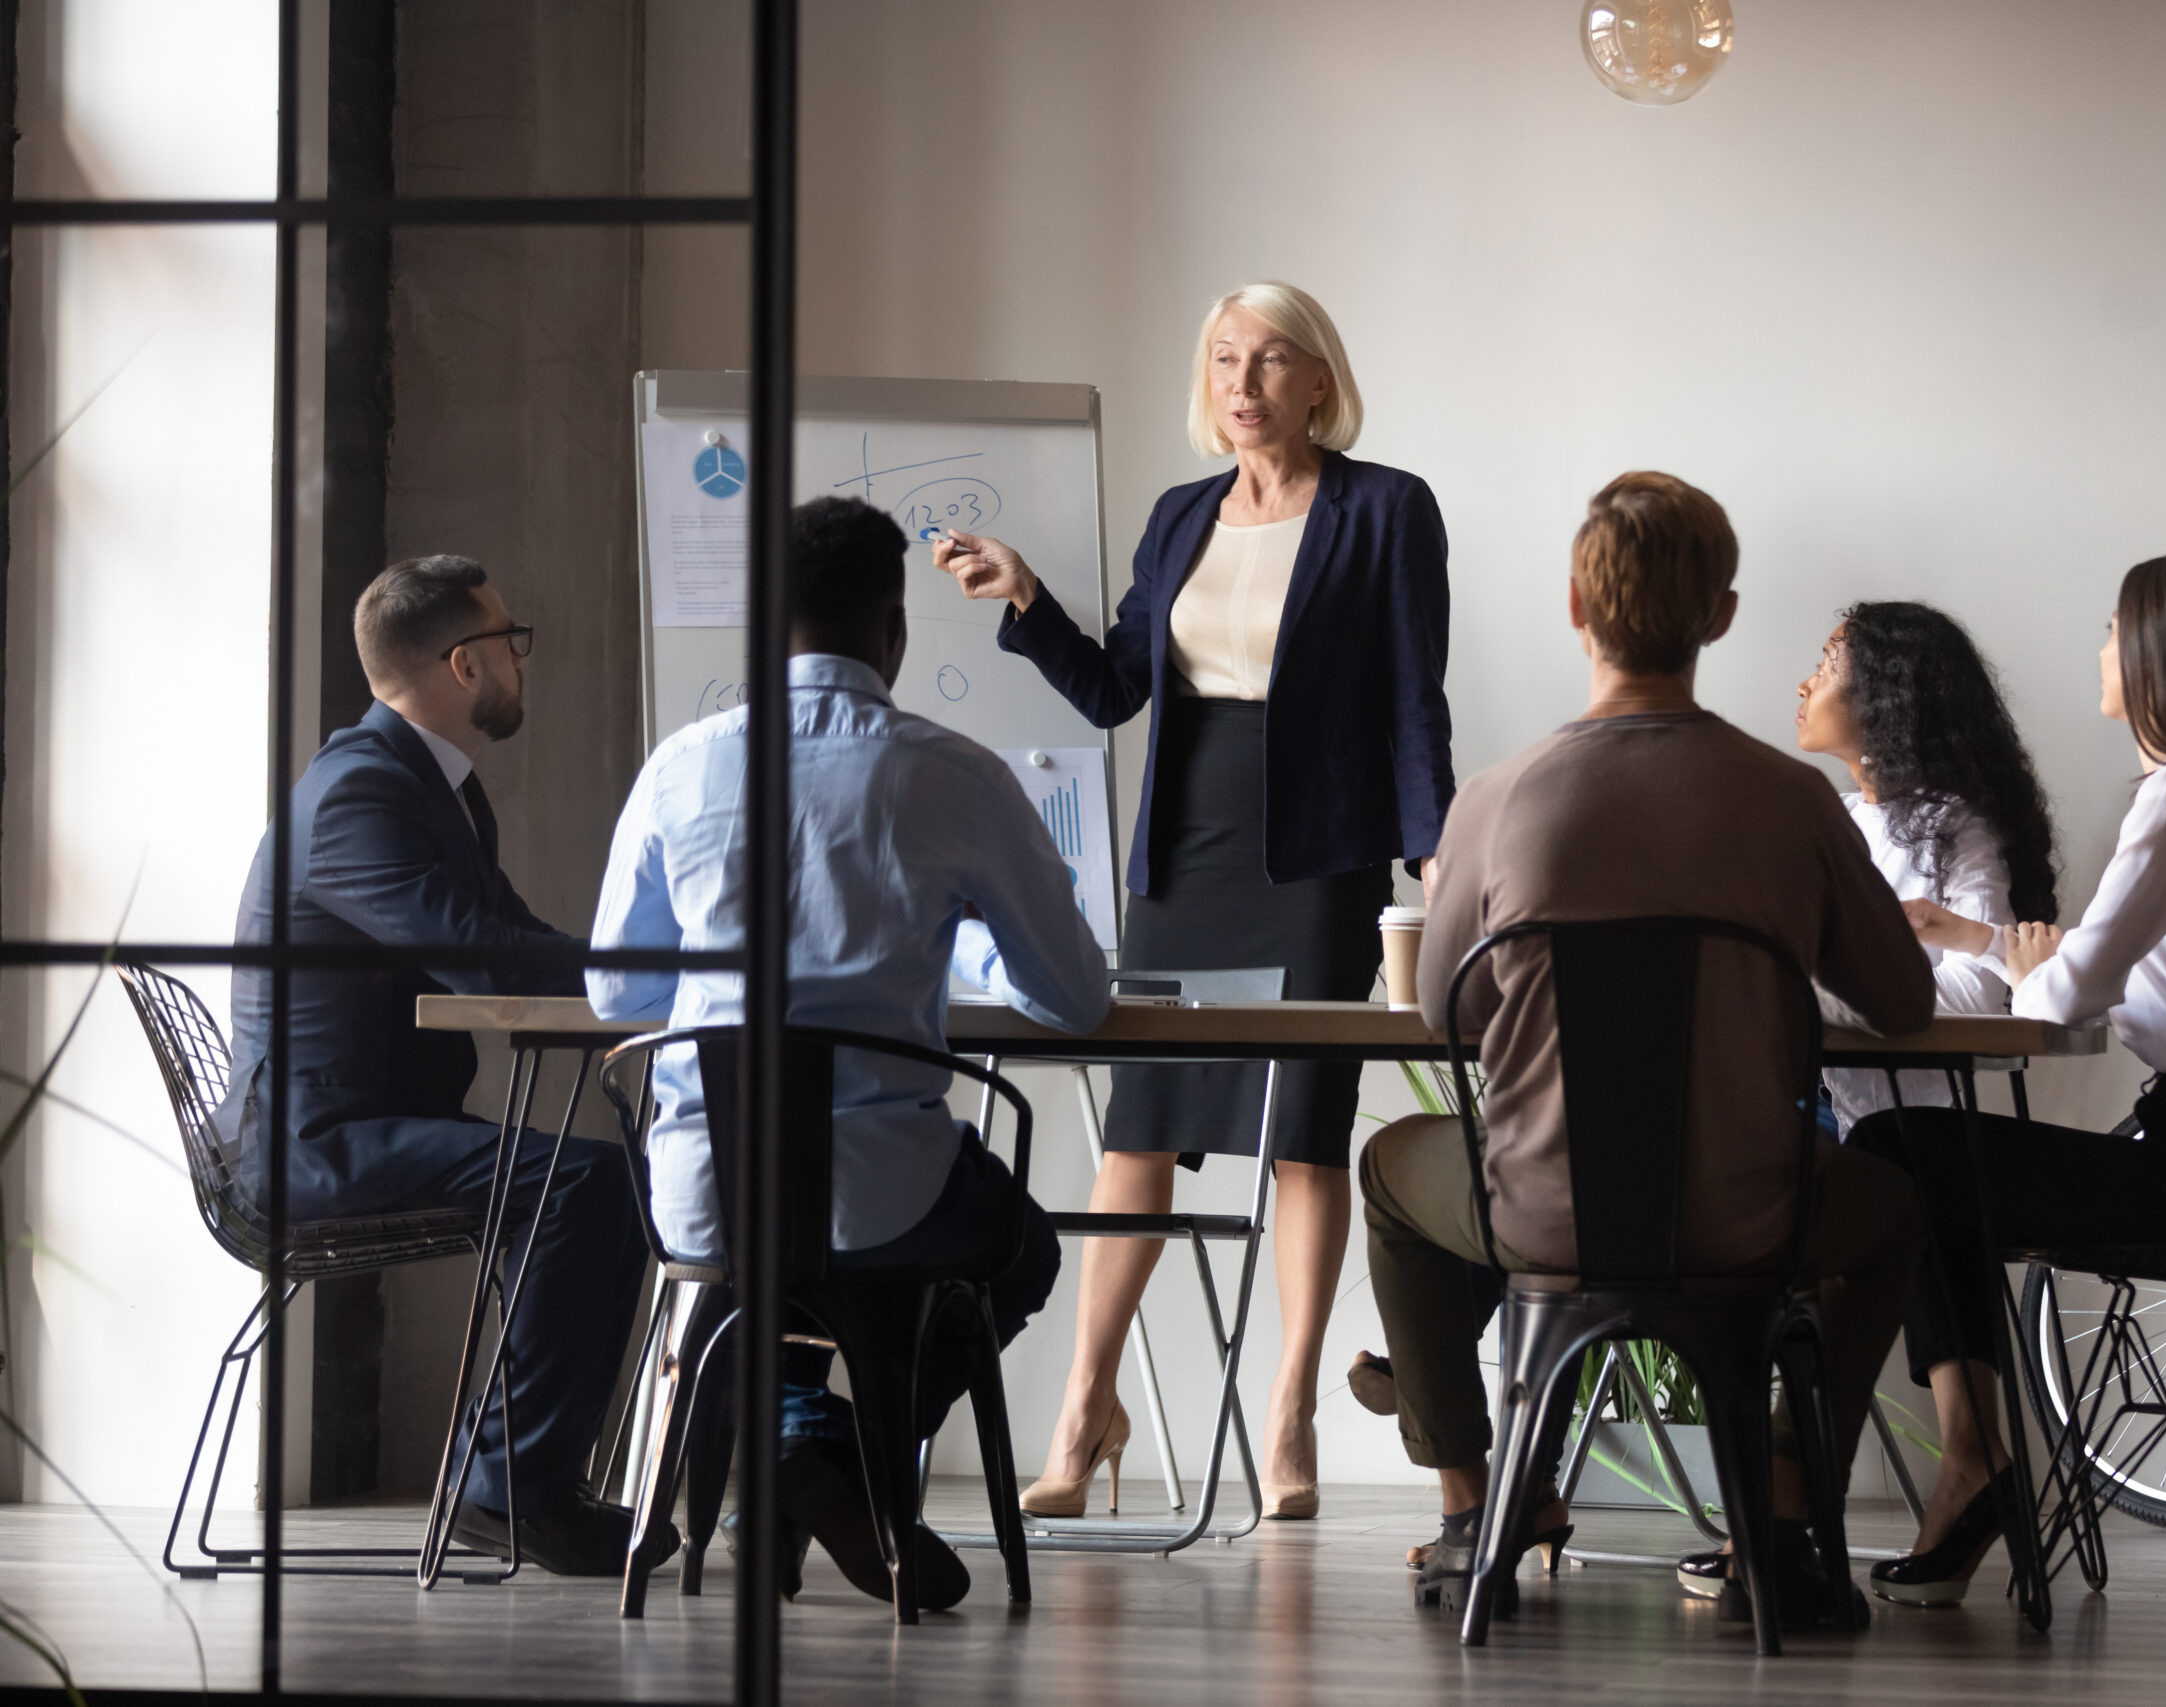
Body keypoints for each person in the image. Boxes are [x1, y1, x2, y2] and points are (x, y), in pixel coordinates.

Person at [1361, 471, 1932, 1631]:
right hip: (1750, 1217)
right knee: (1897, 1208)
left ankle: (1479, 1508)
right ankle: (1777, 1506)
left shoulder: (1495, 799)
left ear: (1576, 605)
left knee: (1385, 1174)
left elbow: (1441, 1017)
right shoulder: (1792, 801)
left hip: (1539, 1215)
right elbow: (1905, 1003)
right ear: (1718, 616)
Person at [935, 280, 1454, 1520]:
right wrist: (1023, 598)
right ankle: (1085, 1405)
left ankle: (1285, 1413)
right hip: (1184, 853)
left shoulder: (1386, 508)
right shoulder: (1177, 517)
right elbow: (1119, 690)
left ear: (1318, 380)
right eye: (1226, 358)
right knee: (1138, 1134)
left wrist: (1435, 857)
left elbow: (1408, 698)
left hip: (1317, 860)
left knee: (1303, 1134)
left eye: (1273, 361)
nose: (1244, 382)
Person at [589, 495, 1108, 1612]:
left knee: (769, 1262)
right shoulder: (955, 775)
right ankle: (825, 1445)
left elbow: (613, 990)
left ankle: (786, 1452)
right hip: (887, 1202)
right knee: (1016, 1254)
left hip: (702, 1199)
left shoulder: (679, 770)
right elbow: (1075, 997)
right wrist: (959, 942)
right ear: (893, 630)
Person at [1859, 551, 2166, 1608]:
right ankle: (1971, 1464)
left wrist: (2031, 971)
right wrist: (1982, 934)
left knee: (1897, 1152)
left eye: (2115, 627)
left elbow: (2068, 996)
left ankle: (1970, 1463)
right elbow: (2141, 966)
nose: (2101, 646)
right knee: (1918, 1159)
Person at [214, 556, 659, 1577]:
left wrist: (643, 970)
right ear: (466, 663)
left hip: (363, 1126)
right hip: (311, 1146)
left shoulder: (423, 785)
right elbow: (481, 951)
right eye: (513, 640)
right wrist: (665, 970)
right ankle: (508, 1487)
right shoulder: (361, 794)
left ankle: (517, 1479)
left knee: (579, 1183)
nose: (519, 660)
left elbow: (508, 931)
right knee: (580, 1186)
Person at [1793, 602, 2059, 1133]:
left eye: (1826, 666)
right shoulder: (1828, 819)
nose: (1805, 685)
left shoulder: (1953, 824)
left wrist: (1831, 997)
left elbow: (1981, 989)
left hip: (1888, 1121)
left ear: (1883, 697)